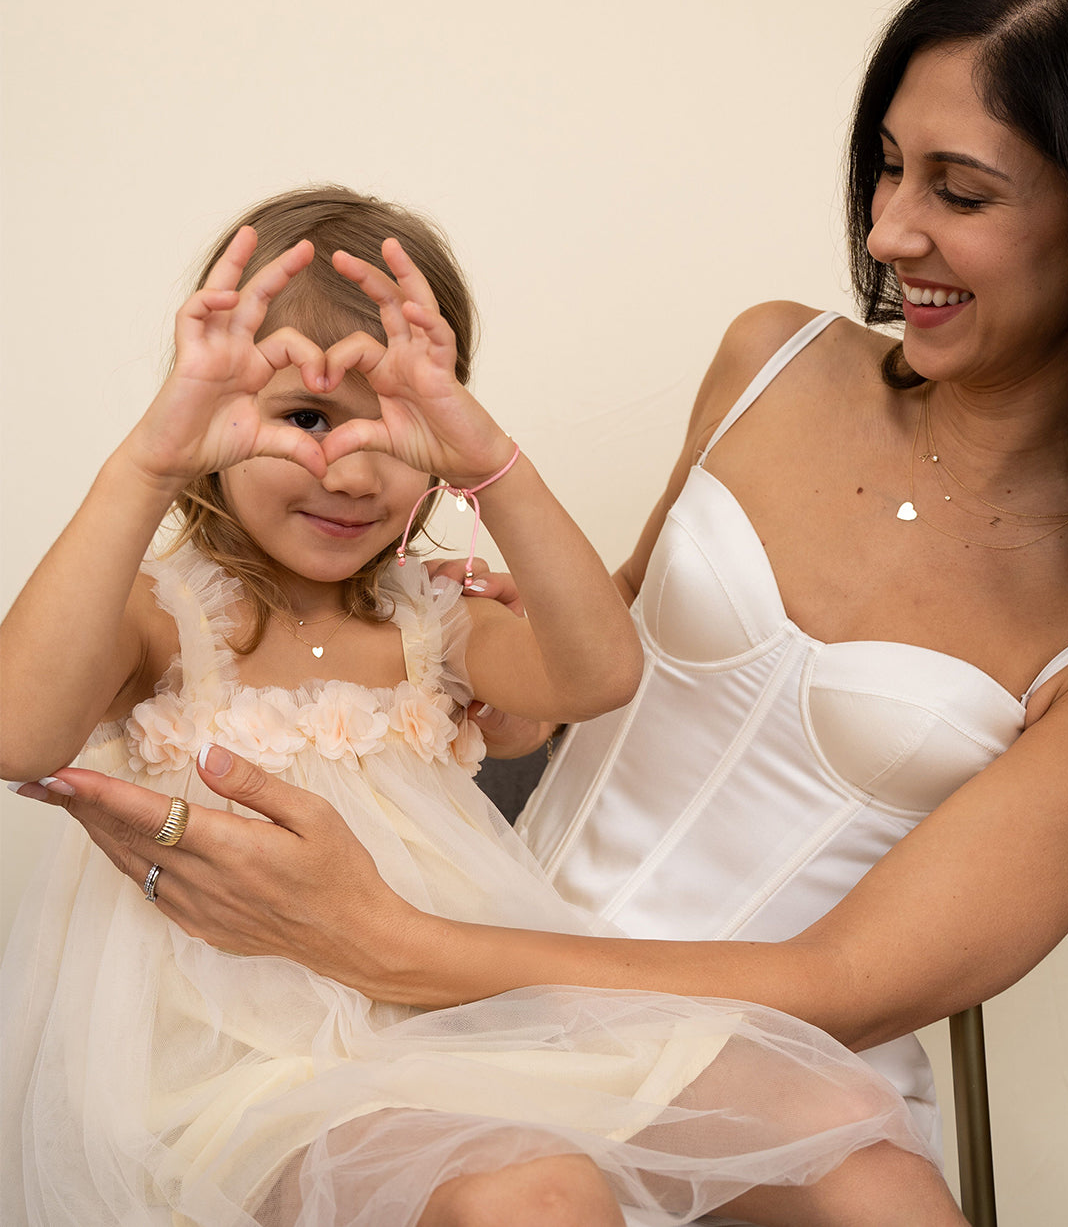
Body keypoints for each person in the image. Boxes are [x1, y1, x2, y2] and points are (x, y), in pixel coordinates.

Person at [13, 0, 1068, 1201]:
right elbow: (603, 661)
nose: (889, 230)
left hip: (715, 1023)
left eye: (960, 193)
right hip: (475, 956)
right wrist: (488, 685)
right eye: (889, 168)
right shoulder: (774, 363)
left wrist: (389, 936)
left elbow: (845, 981)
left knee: (878, 1192)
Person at [0, 187, 966, 1227]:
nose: (351, 471)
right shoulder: (164, 617)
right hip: (242, 1060)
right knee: (537, 1194)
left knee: (852, 1127)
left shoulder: (432, 619)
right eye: (306, 419)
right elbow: (17, 733)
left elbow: (599, 675)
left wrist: (491, 462)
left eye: (397, 426)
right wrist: (150, 461)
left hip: (462, 1013)